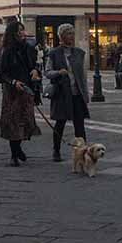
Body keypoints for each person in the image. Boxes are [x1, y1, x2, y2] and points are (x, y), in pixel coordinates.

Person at [44, 23, 88, 163]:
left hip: (76, 94)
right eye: (69, 33)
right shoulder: (54, 53)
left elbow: (83, 76)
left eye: (72, 33)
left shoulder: (79, 53)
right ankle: (56, 150)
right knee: (60, 123)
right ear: (62, 36)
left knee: (79, 125)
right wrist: (58, 72)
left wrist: (85, 93)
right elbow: (47, 72)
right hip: (62, 94)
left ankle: (83, 152)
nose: (72, 36)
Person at [0, 20, 40, 166]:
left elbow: (33, 65)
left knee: (25, 122)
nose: (23, 32)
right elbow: (1, 74)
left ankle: (18, 149)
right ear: (14, 33)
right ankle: (14, 154)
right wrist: (14, 82)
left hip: (26, 90)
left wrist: (35, 70)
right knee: (13, 123)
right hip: (12, 92)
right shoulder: (7, 50)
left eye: (23, 30)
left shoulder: (28, 48)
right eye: (20, 30)